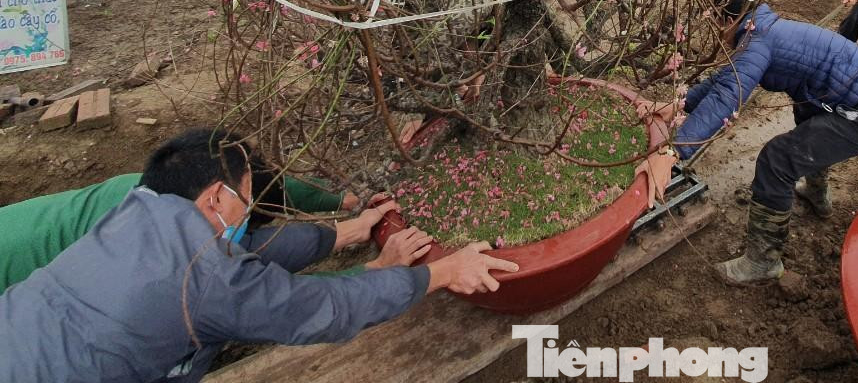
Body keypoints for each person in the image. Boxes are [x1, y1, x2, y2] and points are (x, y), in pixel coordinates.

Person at [0, 128, 517, 383]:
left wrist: (343, 233)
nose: (250, 208)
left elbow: (246, 248)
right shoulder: (204, 277)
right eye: (246, 195)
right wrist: (440, 272)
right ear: (216, 198)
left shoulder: (136, 211)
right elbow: (322, 310)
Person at [636, 0, 858, 287]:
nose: (718, 34)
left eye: (716, 24)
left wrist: (672, 151)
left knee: (778, 159)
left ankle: (762, 262)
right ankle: (816, 194)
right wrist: (678, 105)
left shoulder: (757, 41)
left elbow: (728, 94)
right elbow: (726, 77)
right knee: (809, 127)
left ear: (727, 20)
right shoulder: (766, 28)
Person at [0, 165, 359, 293]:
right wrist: (366, 266)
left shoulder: (155, 188)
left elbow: (265, 186)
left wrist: (342, 200)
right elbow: (257, 294)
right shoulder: (152, 255)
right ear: (214, 199)